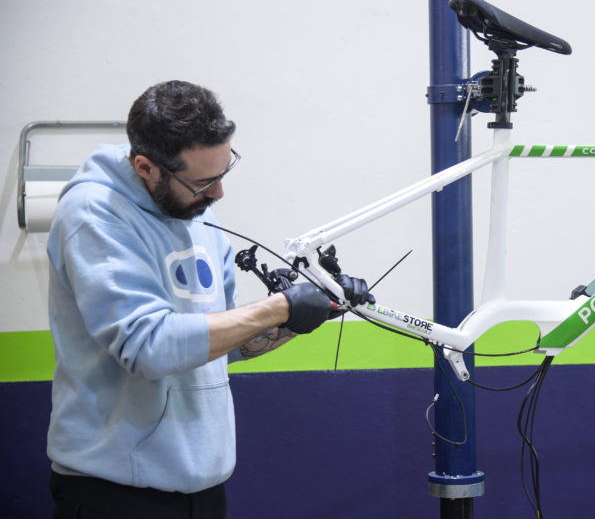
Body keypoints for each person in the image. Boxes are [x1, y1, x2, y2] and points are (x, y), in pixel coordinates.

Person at [45, 80, 372, 518]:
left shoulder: (197, 214)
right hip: (117, 491)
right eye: (203, 182)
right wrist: (280, 307)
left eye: (223, 173)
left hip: (202, 486)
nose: (218, 194)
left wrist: (304, 316)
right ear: (146, 167)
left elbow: (223, 345)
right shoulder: (94, 214)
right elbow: (148, 346)